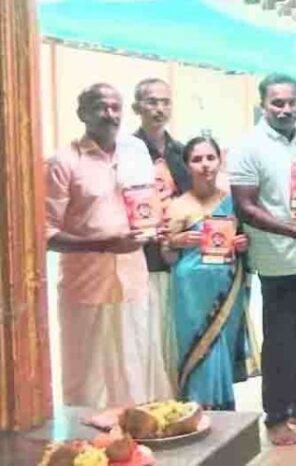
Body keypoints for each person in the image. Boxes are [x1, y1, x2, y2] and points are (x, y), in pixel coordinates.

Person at [45, 83, 173, 407]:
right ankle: (84, 437)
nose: (109, 114)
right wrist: (104, 244)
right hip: (86, 286)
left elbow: (146, 206)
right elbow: (45, 234)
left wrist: (156, 226)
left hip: (133, 282)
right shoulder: (63, 161)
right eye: (100, 107)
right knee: (86, 379)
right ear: (82, 113)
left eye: (115, 107)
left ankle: (133, 434)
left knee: (135, 371)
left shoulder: (135, 152)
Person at [228, 73, 296, 446]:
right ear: (263, 104)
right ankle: (275, 416)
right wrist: (288, 229)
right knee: (280, 341)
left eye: (291, 102)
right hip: (277, 261)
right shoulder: (248, 146)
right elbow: (245, 205)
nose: (285, 109)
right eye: (277, 103)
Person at [162, 136, 257, 410]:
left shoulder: (233, 201)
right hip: (191, 291)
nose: (205, 165)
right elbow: (167, 256)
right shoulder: (178, 205)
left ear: (219, 161)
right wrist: (177, 241)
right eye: (197, 159)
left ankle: (224, 413)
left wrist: (243, 244)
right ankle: (195, 411)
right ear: (187, 165)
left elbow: (246, 242)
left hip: (227, 287)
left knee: (221, 346)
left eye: (210, 158)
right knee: (197, 348)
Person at [131, 77, 193, 386]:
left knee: (176, 334)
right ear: (137, 107)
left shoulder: (182, 152)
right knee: (146, 336)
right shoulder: (125, 151)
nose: (159, 108)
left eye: (165, 102)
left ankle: (178, 398)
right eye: (152, 102)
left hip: (181, 257)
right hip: (140, 259)